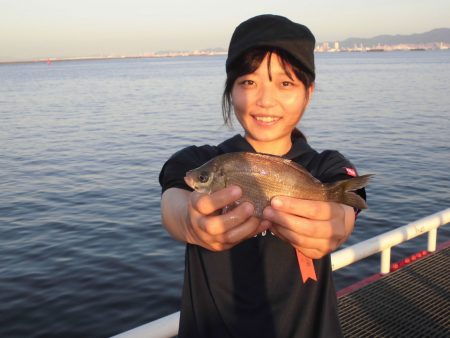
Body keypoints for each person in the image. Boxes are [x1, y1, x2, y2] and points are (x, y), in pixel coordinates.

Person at [159, 14, 366, 338]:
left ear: (308, 92)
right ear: (231, 89)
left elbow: (347, 203)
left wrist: (337, 220)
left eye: (285, 83)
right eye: (248, 82)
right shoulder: (201, 160)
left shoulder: (325, 164)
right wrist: (189, 221)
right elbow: (173, 196)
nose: (265, 100)